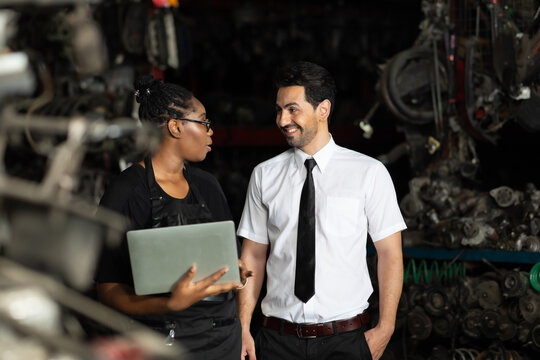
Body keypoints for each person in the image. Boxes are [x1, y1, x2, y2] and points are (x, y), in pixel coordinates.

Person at [236, 61, 407, 360]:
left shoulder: (369, 172)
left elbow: (390, 254)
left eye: (292, 109)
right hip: (276, 341)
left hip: (347, 340)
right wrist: (243, 326)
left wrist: (386, 328)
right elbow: (253, 255)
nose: (282, 120)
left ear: (323, 109)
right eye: (278, 110)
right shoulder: (264, 175)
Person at [95, 76, 249, 360]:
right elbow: (108, 289)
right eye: (203, 122)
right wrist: (168, 305)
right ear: (176, 127)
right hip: (166, 341)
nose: (210, 132)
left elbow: (225, 258)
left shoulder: (207, 185)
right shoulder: (126, 191)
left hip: (223, 337)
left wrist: (233, 269)